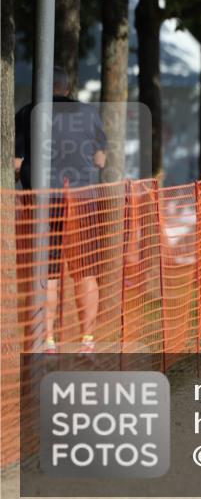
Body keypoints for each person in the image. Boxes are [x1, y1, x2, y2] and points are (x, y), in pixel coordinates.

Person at [14, 66, 106, 354]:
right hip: (81, 200)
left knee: (47, 272)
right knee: (85, 272)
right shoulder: (89, 114)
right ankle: (87, 341)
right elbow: (101, 159)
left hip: (42, 202)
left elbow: (17, 164)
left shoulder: (28, 113)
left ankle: (48, 340)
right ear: (67, 88)